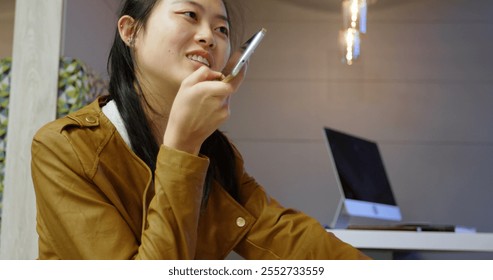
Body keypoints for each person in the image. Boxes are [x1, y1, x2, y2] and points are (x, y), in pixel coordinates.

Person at [31, 0, 370, 260]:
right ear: (130, 31)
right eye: (190, 15)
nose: (209, 37)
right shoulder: (64, 149)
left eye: (221, 29)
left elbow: (287, 235)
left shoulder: (217, 155)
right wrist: (182, 149)